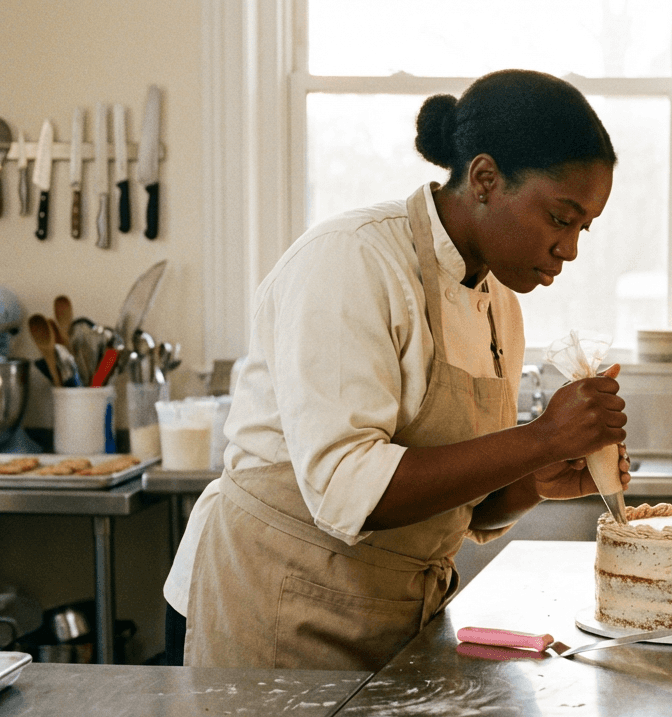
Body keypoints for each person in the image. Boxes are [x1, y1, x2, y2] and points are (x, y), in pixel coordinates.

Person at [162, 70, 628, 672]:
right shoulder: (352, 259)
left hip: (391, 613)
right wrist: (541, 439)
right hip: (271, 602)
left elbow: (463, 508)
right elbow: (350, 488)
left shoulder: (499, 306)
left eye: (583, 228)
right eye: (561, 219)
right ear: (485, 179)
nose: (570, 249)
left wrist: (536, 478)